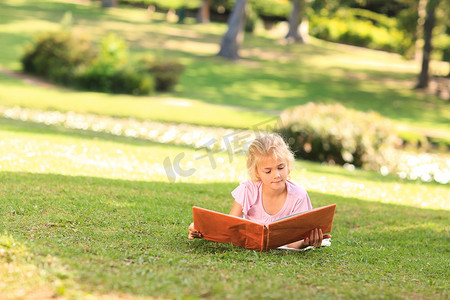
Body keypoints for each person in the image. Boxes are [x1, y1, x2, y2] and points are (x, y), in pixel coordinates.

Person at [188, 133, 329, 249]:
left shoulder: (298, 195)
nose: (276, 175)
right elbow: (230, 226)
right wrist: (201, 229)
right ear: (256, 172)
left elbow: (293, 243)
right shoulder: (248, 190)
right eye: (268, 171)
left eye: (281, 167)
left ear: (288, 165)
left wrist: (306, 242)